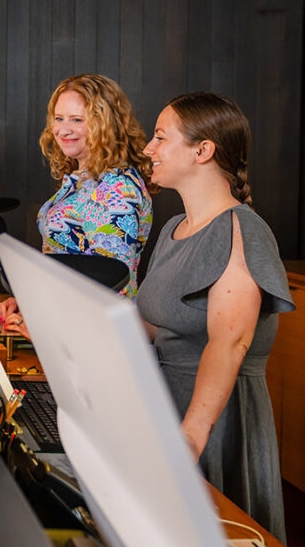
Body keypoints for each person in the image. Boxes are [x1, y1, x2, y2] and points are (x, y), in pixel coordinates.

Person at [136, 92, 294, 541]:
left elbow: (230, 342)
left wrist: (190, 436)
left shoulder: (243, 230)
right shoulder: (173, 229)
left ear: (202, 151)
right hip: (165, 405)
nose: (149, 148)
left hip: (213, 421)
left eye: (161, 137)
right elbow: (147, 325)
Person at [0, 74, 153, 333]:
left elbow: (111, 287)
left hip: (94, 340)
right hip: (67, 328)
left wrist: (46, 327)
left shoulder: (116, 190)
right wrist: (30, 302)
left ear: (106, 124)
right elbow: (70, 264)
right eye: (59, 119)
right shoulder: (84, 179)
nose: (62, 129)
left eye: (77, 120)